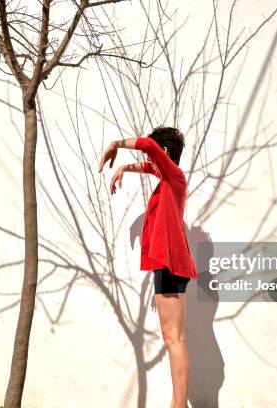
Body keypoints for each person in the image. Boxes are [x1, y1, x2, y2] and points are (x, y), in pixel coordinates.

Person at [98, 126, 198, 408]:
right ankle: (175, 404)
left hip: (170, 265)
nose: (154, 164)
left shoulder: (173, 176)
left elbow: (146, 148)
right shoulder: (168, 179)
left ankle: (178, 407)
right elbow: (148, 164)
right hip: (168, 265)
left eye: (157, 154)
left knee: (174, 338)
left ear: (164, 153)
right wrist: (125, 169)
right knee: (172, 337)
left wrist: (115, 144)